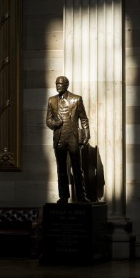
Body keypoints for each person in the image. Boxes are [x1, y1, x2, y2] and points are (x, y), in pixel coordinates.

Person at [45, 76, 90, 204]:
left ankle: (81, 196)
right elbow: (48, 120)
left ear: (66, 85)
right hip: (59, 138)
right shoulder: (52, 100)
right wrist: (55, 123)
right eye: (56, 84)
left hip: (73, 138)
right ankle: (63, 196)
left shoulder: (76, 99)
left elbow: (84, 119)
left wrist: (86, 135)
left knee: (77, 168)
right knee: (61, 169)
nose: (58, 86)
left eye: (60, 84)